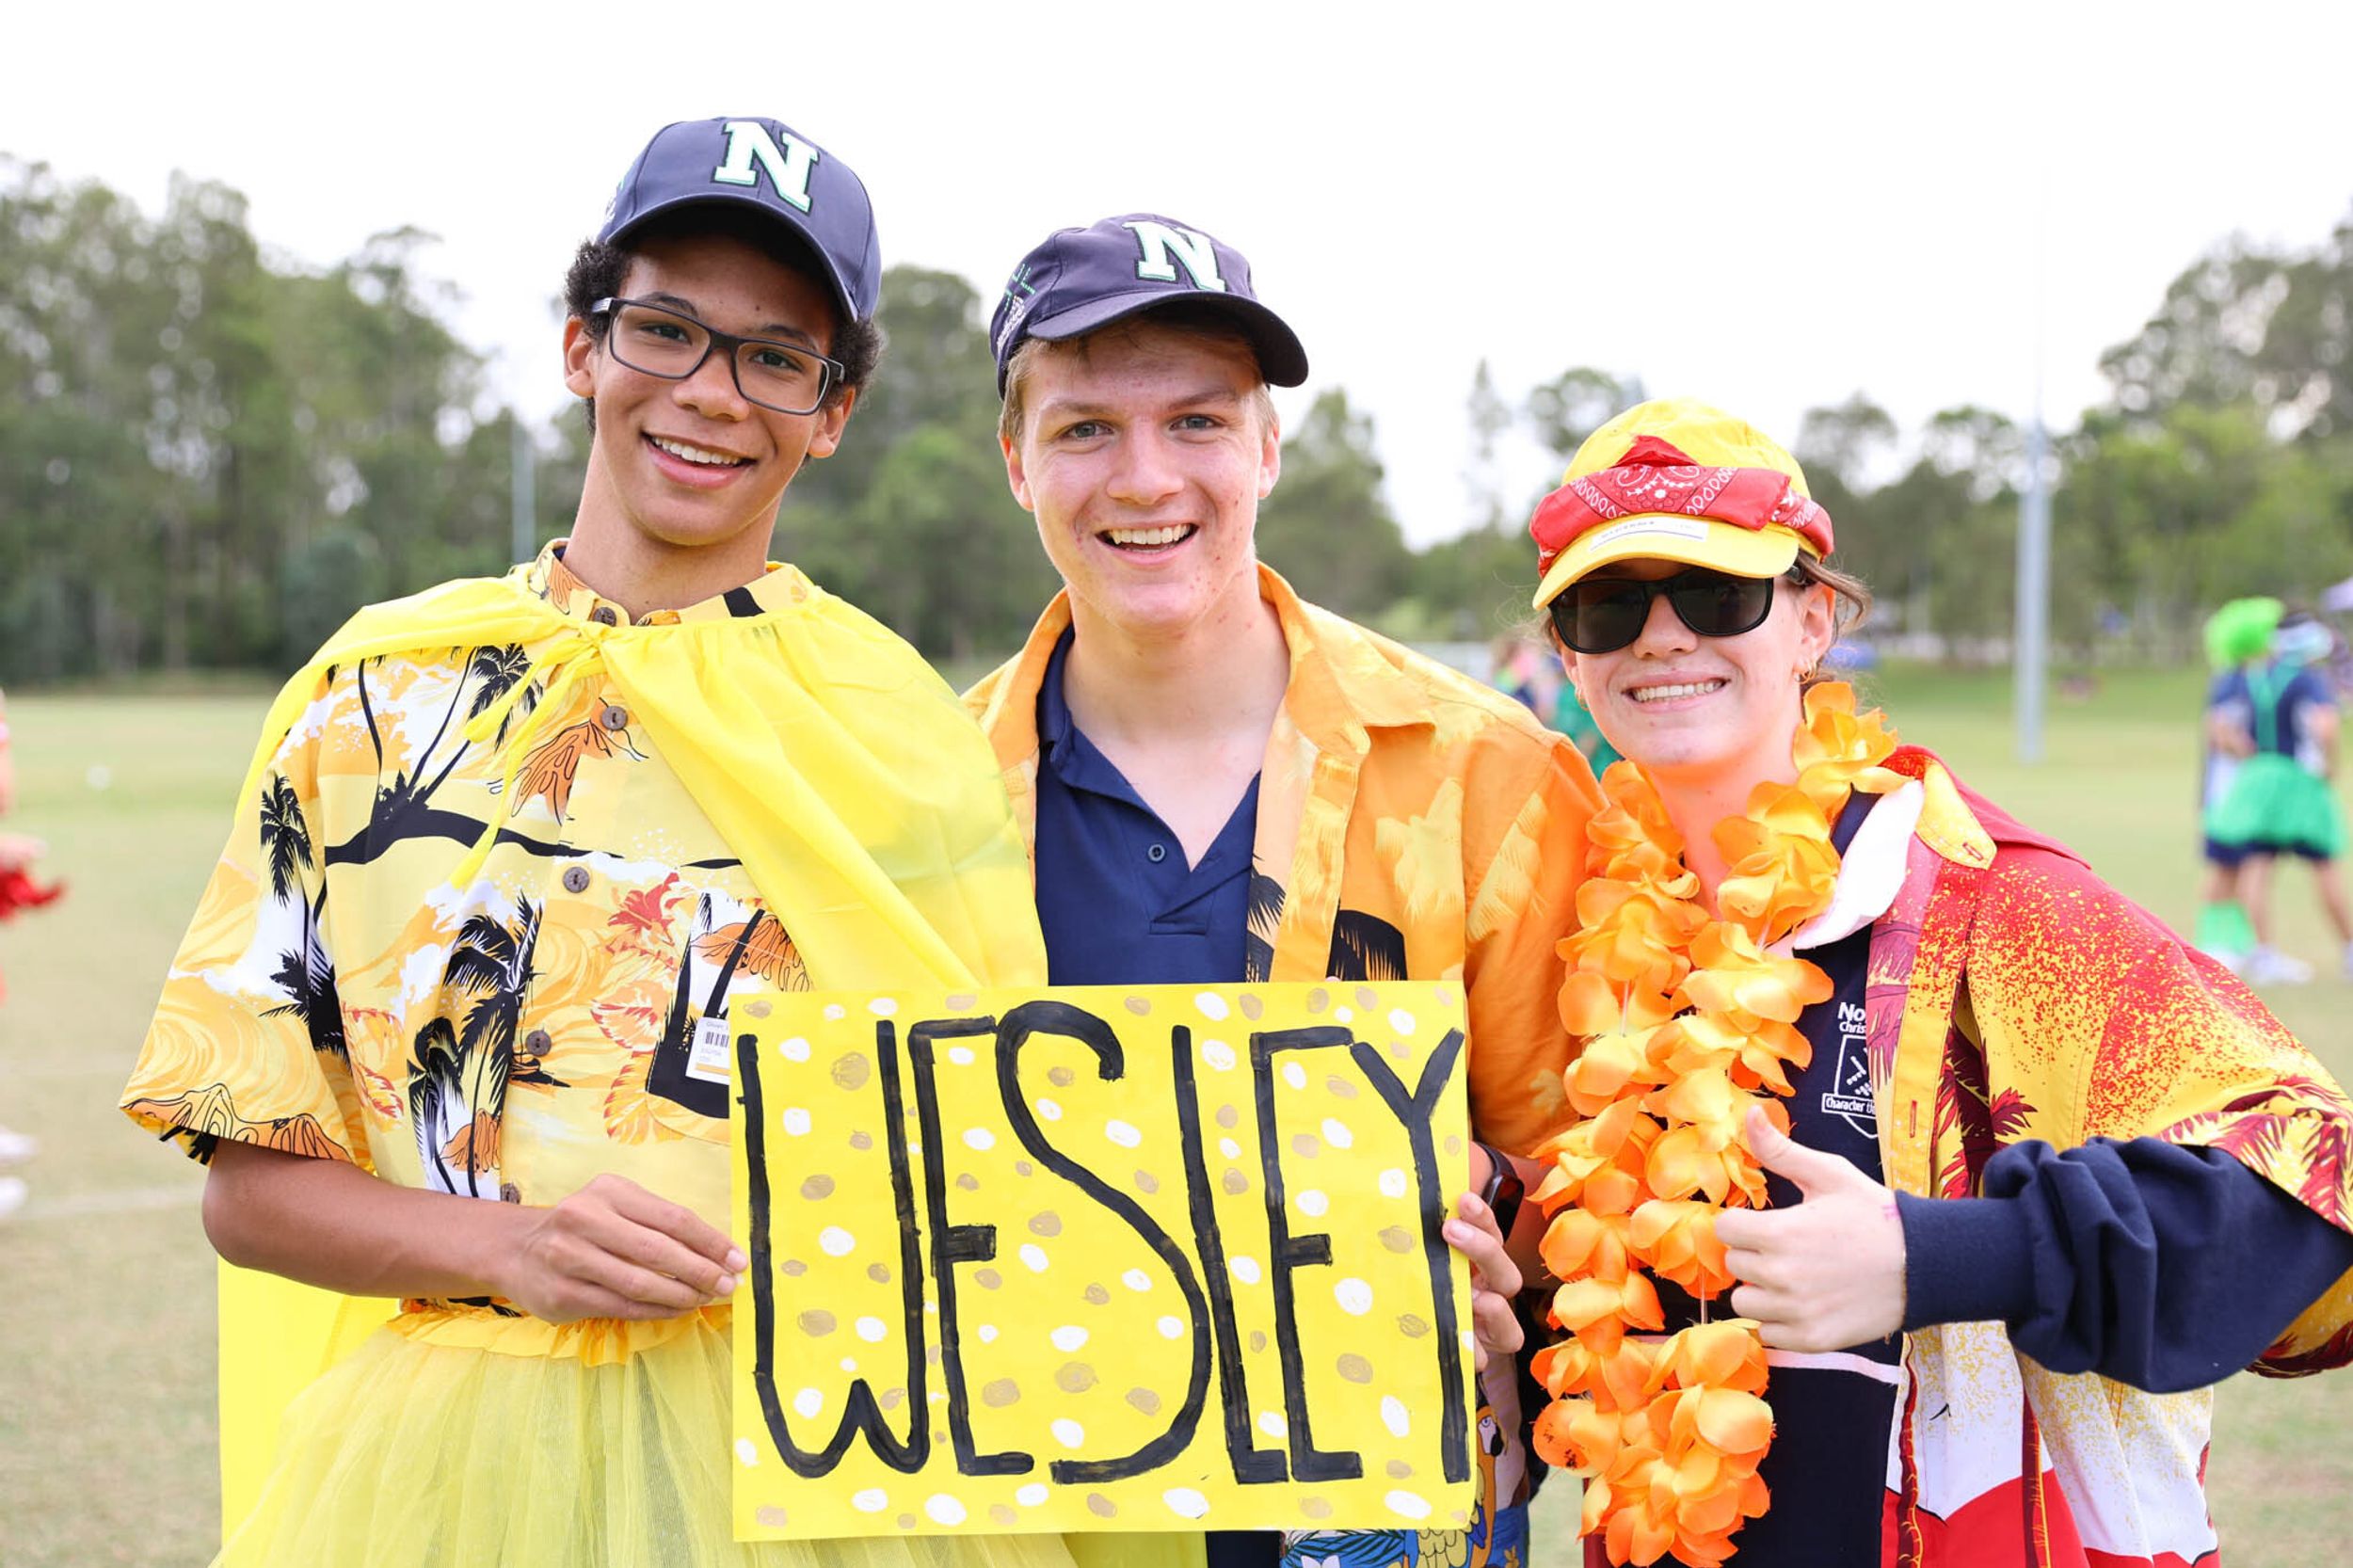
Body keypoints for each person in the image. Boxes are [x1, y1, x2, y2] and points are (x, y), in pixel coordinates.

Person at [121, 116, 1087, 1568]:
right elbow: (250, 1187)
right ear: (583, 345)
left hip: (812, 1484)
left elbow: (1009, 1165)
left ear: (831, 410)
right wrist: (511, 1248)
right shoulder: (368, 701)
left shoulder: (895, 736)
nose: (711, 392)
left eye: (776, 356)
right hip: (449, 1487)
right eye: (667, 329)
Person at [1524, 398, 2353, 1568]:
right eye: (1608, 605)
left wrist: (1934, 1257)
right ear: (1569, 655)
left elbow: (2312, 1188)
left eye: (1714, 594)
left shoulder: (1992, 905)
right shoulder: (1588, 940)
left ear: (1812, 622)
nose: (1659, 637)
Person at [968, 212, 1605, 1568]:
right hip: (1037, 1522)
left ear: (1265, 446)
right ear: (1017, 462)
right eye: (1085, 428)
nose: (1146, 476)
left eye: (1197, 421)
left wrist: (1506, 1245)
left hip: (1380, 1514)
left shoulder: (1486, 776)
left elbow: (1595, 1166)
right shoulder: (925, 797)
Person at [2204, 607, 2352, 982]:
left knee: (2256, 864)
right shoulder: (2309, 679)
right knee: (2324, 863)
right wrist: (2329, 765)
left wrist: (2247, 754)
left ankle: (2263, 953)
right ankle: (2349, 949)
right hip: (2298, 781)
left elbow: (2222, 726)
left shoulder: (2254, 677)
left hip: (2258, 779)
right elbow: (2326, 726)